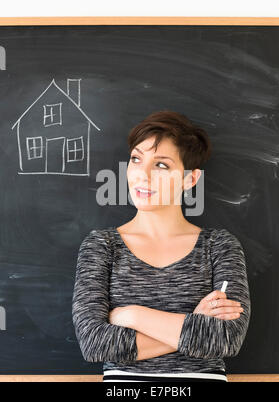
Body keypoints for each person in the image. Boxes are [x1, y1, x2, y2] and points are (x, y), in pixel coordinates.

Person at [72, 110, 251, 382]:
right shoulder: (102, 246)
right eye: (136, 159)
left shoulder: (219, 247)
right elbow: (94, 343)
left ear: (190, 179)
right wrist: (194, 322)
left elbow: (226, 339)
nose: (142, 175)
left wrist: (131, 315)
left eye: (161, 165)